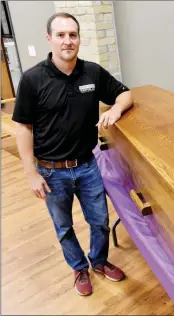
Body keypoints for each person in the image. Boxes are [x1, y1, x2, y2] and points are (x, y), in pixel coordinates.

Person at [12, 12, 134, 296]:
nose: (68, 41)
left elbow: (125, 94)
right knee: (64, 226)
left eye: (73, 35)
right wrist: (30, 174)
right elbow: (23, 128)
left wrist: (115, 109)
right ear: (49, 39)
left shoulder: (92, 72)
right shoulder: (32, 80)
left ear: (79, 39)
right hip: (51, 171)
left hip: (88, 164)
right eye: (61, 35)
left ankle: (99, 262)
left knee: (100, 222)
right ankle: (79, 268)